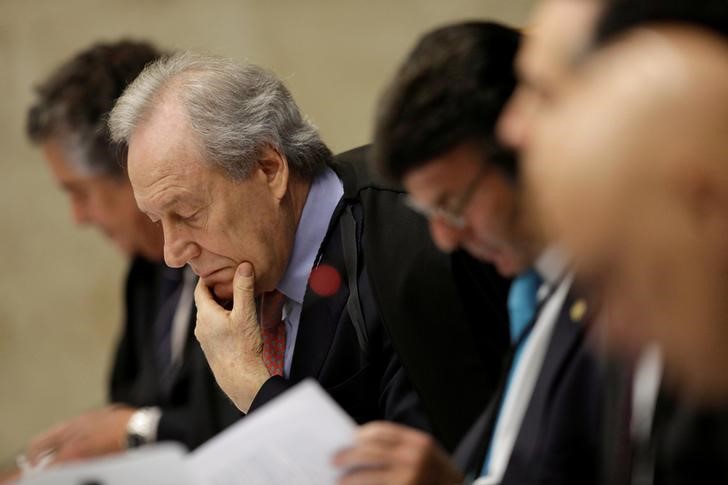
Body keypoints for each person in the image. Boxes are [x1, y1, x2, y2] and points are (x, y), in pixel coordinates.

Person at [107, 53, 511, 451]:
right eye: (159, 221)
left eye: (188, 213)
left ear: (269, 169)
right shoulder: (235, 294)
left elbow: (430, 468)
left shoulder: (416, 240)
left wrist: (254, 387)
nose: (173, 254)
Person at [334, 19, 606, 485]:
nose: (445, 239)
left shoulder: (624, 306)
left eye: (453, 206)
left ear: (525, 151)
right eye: (426, 212)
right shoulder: (536, 292)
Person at [21, 40, 241, 468]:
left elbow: (252, 416)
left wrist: (137, 430)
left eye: (79, 193)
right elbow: (126, 403)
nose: (78, 217)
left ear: (132, 168)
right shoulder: (145, 273)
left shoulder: (235, 257)